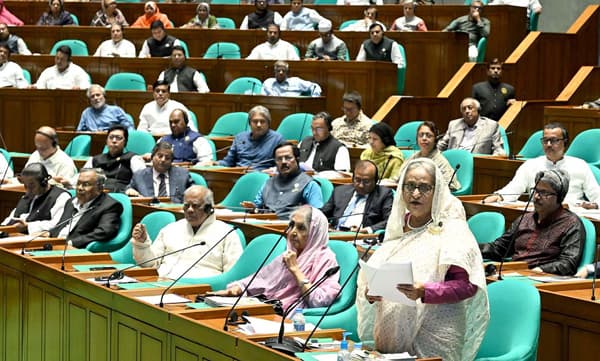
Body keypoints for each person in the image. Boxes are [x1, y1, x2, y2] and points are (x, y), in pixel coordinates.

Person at [356, 158, 488, 360]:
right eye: (410, 186)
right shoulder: (397, 226)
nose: (415, 194)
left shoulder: (452, 230)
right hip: (391, 333)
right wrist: (373, 291)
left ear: (437, 192)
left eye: (424, 187)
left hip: (436, 332)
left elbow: (467, 285)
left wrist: (424, 291)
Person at [215, 206, 340, 312]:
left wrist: (295, 270)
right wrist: (239, 288)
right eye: (291, 226)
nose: (293, 232)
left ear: (315, 232)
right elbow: (262, 280)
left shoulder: (325, 259)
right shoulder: (290, 254)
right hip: (270, 307)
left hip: (295, 316)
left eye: (301, 228)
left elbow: (319, 300)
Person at [481, 169, 584, 276]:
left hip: (541, 279)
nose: (536, 197)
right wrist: (472, 248)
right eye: (535, 190)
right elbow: (499, 248)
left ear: (559, 196)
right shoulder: (525, 219)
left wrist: (540, 270)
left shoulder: (571, 224)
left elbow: (568, 263)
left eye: (544, 193)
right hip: (513, 273)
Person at [131, 185, 242, 279]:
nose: (189, 210)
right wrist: (142, 244)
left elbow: (232, 275)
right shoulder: (171, 229)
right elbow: (150, 265)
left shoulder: (226, 233)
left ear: (209, 208)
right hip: (162, 283)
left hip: (197, 289)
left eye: (195, 206)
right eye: (186, 206)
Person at [482, 122, 600, 208]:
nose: (548, 145)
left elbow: (596, 194)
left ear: (565, 142)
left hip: (571, 215)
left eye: (553, 140)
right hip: (538, 214)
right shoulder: (531, 164)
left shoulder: (580, 165)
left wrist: (594, 206)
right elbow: (514, 187)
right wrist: (499, 196)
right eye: (545, 140)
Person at [241, 142, 323, 219]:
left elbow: (316, 216)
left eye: (288, 158)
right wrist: (253, 208)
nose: (283, 162)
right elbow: (257, 207)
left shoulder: (310, 184)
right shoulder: (269, 182)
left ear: (297, 159)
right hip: (264, 224)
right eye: (279, 159)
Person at [53, 168, 123, 249]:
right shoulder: (71, 202)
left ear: (99, 188)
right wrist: (47, 234)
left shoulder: (110, 205)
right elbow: (61, 226)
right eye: (78, 183)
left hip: (76, 248)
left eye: (85, 185)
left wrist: (72, 242)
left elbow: (104, 231)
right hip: (55, 244)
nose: (80, 188)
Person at [322, 160, 393, 233]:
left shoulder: (384, 195)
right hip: (335, 233)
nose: (361, 185)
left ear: (375, 180)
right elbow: (322, 214)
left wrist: (367, 230)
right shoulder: (339, 191)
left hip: (361, 238)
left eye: (366, 182)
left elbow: (390, 220)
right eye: (357, 180)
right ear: (353, 178)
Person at [1, 163, 70, 234]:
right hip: (16, 236)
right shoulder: (27, 195)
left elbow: (57, 224)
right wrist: (2, 228)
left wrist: (28, 226)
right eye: (25, 185)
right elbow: (12, 217)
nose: (27, 191)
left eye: (32, 186)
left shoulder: (61, 197)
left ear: (44, 183)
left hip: (38, 239)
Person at [210, 105, 283, 170]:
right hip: (238, 174)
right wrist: (214, 163)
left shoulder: (276, 139)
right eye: (255, 121)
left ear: (268, 123)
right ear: (249, 123)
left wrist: (273, 170)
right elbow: (228, 162)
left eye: (262, 121)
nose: (258, 125)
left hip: (262, 176)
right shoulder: (240, 138)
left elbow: (281, 164)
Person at [78, 125, 146, 192]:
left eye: (118, 138)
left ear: (125, 142)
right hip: (97, 195)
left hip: (121, 195)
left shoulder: (133, 159)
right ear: (106, 141)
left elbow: (143, 181)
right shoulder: (95, 159)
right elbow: (80, 179)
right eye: (111, 137)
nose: (114, 141)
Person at [127, 142, 193, 203]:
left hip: (175, 211)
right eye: (160, 156)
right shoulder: (139, 175)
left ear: (171, 161)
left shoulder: (183, 175)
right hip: (149, 211)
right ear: (152, 157)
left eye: (167, 158)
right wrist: (130, 190)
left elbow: (194, 193)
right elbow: (128, 189)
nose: (163, 160)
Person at [404, 121, 461, 192]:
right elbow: (398, 178)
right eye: (421, 135)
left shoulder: (440, 161)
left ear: (435, 140)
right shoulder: (412, 158)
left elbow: (450, 186)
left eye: (428, 135)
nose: (424, 138)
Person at [437, 97, 505, 156]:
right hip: (453, 163)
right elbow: (441, 146)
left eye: (470, 108)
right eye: (464, 109)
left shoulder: (491, 126)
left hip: (477, 164)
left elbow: (499, 150)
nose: (467, 111)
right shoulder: (454, 125)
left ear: (477, 110)